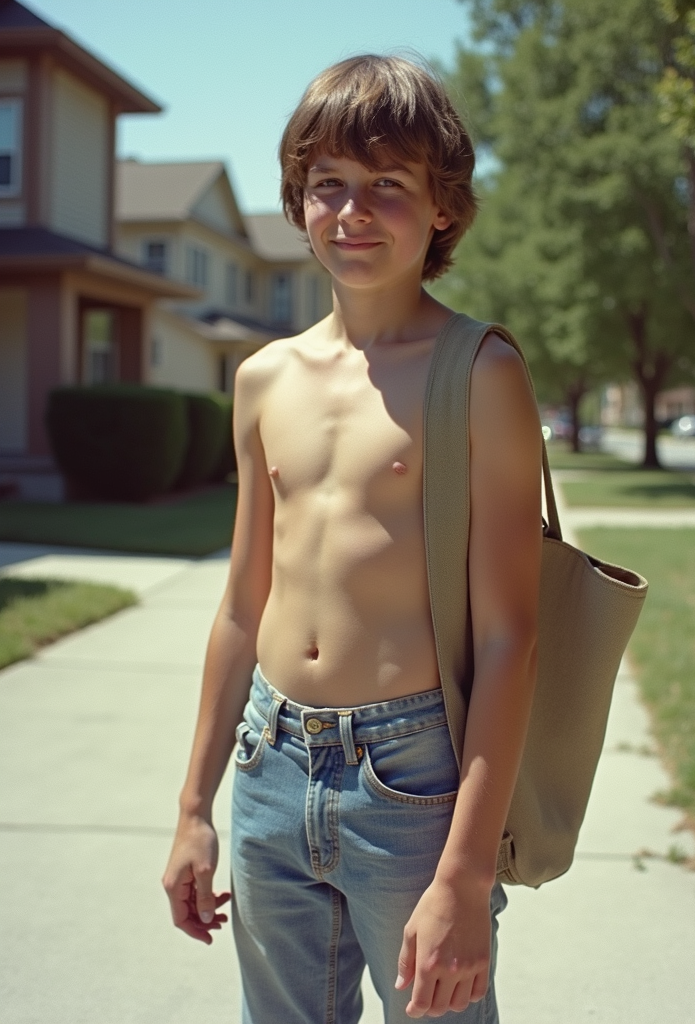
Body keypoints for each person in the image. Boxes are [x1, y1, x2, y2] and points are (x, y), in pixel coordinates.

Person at [162, 54, 542, 1023]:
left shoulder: (480, 371)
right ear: (297, 203)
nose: (352, 210)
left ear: (444, 207)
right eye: (328, 183)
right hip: (270, 762)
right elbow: (245, 603)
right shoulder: (263, 380)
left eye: (389, 185)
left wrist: (461, 875)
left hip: (411, 780)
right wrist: (195, 807)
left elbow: (508, 640)